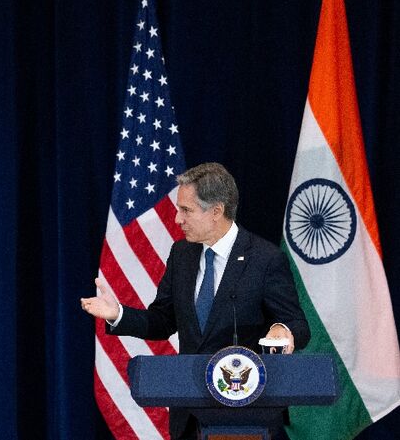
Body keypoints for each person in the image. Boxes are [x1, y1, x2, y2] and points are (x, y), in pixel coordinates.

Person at [81, 162, 309, 440]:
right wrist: (118, 314)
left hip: (247, 415)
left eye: (186, 210)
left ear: (216, 211)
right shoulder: (182, 255)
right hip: (189, 416)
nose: (177, 219)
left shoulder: (264, 259)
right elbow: (162, 321)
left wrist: (282, 331)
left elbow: (297, 323)